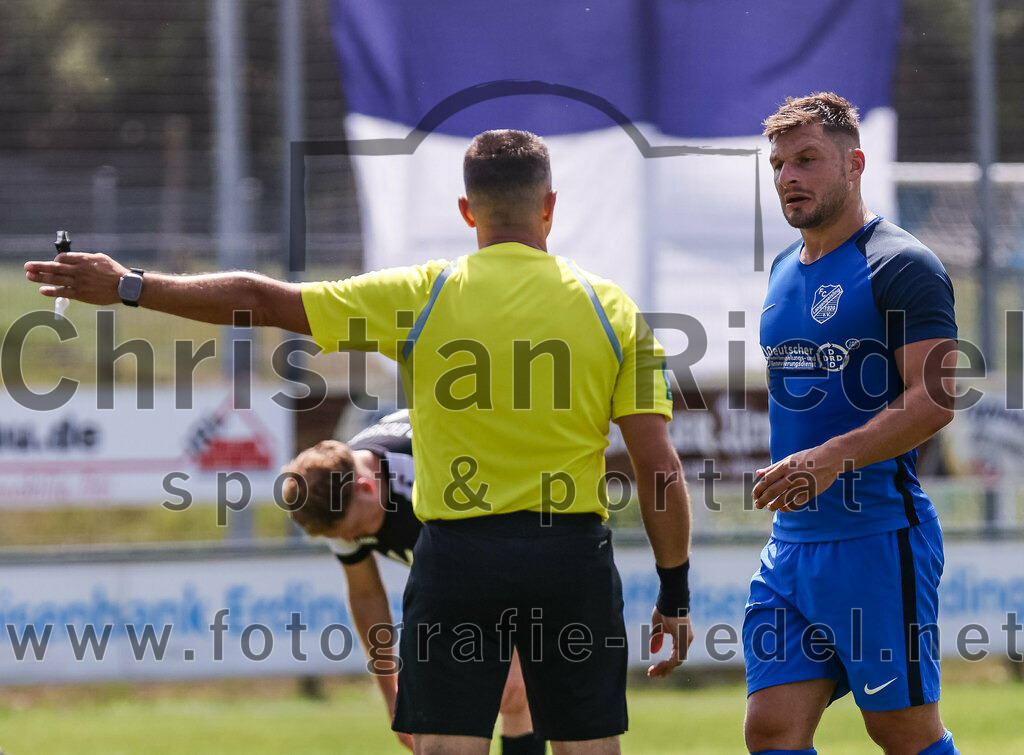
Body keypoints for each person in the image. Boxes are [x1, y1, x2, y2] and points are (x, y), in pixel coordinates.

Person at [26, 129, 693, 755]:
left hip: (460, 559)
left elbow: (260, 299)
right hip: (569, 558)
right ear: (549, 207)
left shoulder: (423, 295)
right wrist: (674, 590)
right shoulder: (613, 311)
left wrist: (129, 286)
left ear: (468, 211)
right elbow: (657, 466)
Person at [745, 92, 960, 755]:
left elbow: (938, 396)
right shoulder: (783, 270)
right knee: (772, 731)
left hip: (876, 536)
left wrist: (832, 457)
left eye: (808, 159)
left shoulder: (901, 264)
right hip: (792, 545)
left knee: (899, 729)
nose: (789, 177)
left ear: (855, 163)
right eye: (779, 164)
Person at [281, 409, 543, 754]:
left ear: (366, 486)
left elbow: (504, 543)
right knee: (431, 712)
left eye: (359, 530)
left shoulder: (433, 464)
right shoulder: (335, 497)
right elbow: (365, 595)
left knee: (514, 689)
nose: (357, 538)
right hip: (454, 570)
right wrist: (391, 695)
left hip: (520, 531)